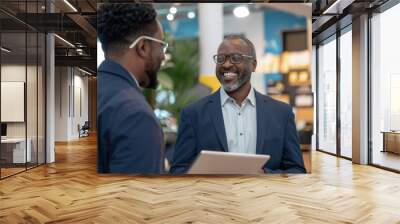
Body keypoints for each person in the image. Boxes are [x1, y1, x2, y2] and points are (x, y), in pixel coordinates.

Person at [170, 35, 306, 174]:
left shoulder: (281, 113)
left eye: (235, 58)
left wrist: (265, 175)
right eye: (221, 59)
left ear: (253, 64)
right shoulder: (193, 114)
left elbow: (297, 171)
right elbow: (178, 171)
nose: (226, 64)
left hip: (265, 194)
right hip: (214, 195)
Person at [97, 3, 168, 173]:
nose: (163, 56)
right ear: (143, 47)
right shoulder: (135, 115)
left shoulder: (94, 91)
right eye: (161, 46)